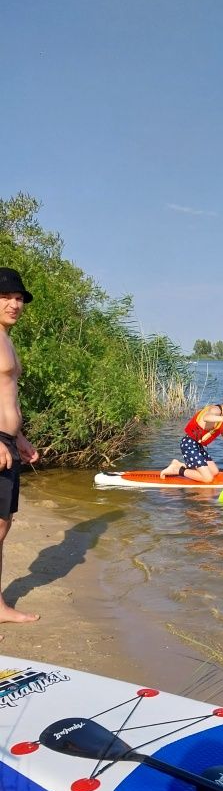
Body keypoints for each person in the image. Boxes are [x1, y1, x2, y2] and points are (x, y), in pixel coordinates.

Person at [0, 267, 41, 623]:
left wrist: (20, 437)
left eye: (18, 299)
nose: (14, 304)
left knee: (1, 525)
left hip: (8, 442)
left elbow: (8, 396)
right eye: (6, 297)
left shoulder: (6, 338)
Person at [160, 392, 223, 483]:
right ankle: (177, 470)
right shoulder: (215, 410)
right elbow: (206, 417)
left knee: (214, 472)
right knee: (208, 479)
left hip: (198, 446)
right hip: (189, 444)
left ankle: (178, 464)